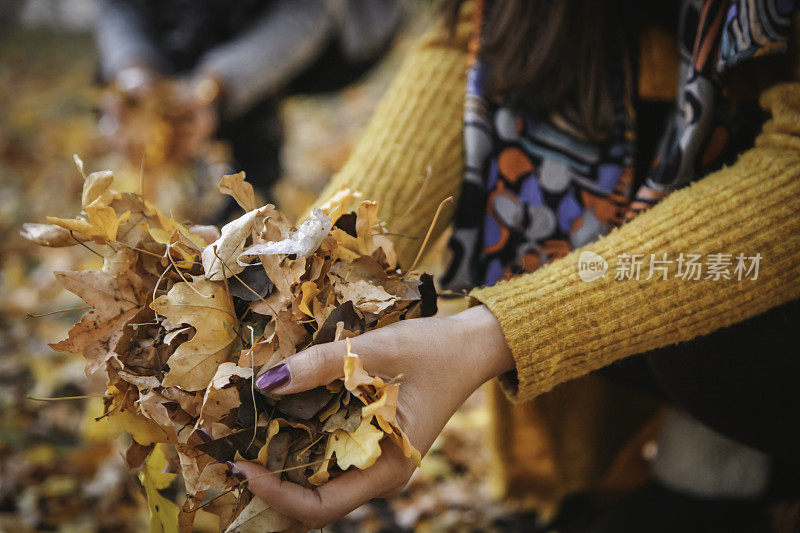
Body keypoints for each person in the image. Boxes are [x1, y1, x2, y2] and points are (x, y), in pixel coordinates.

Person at [228, 0, 800, 530]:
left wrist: (498, 333)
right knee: (561, 233)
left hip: (754, 269)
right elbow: (478, 39)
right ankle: (675, 460)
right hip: (636, 173)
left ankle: (730, 471)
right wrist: (309, 258)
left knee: (717, 317)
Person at [95, 0, 405, 202]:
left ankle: (251, 188)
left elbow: (306, 11)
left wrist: (215, 86)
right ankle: (213, 179)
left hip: (339, 31)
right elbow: (117, 7)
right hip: (198, 26)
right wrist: (132, 72)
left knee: (219, 22)